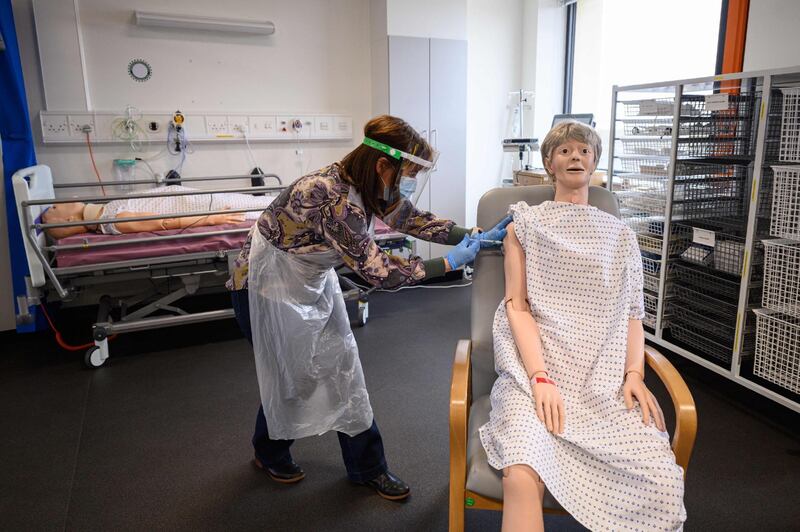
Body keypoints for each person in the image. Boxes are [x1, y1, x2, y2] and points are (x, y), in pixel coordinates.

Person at [227, 115, 511, 501]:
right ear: (382, 164)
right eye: (407, 172)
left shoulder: (368, 185)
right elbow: (381, 272)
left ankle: (367, 468)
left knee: (342, 368)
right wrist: (448, 263)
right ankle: (269, 452)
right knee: (291, 376)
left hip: (308, 278)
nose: (408, 182)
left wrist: (473, 235)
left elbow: (410, 219)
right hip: (263, 285)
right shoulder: (330, 195)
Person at [479, 121, 686, 530]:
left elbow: (631, 313)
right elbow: (517, 307)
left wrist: (634, 373)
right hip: (534, 374)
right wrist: (539, 378)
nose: (576, 157)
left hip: (602, 379)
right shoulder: (524, 226)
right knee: (522, 469)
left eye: (585, 151)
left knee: (661, 479)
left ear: (595, 163)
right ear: (549, 164)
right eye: (565, 151)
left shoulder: (622, 237)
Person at [41, 184, 274, 238]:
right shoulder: (111, 220)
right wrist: (212, 219)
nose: (57, 201)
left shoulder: (106, 211)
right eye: (55, 207)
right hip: (203, 208)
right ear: (70, 219)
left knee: (269, 202)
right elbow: (164, 222)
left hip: (198, 200)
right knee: (271, 209)